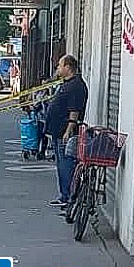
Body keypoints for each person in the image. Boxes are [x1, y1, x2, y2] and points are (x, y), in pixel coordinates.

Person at [45, 54, 88, 207]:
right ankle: (64, 196)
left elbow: (74, 110)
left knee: (66, 165)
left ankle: (69, 198)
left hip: (66, 133)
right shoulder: (66, 83)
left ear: (68, 67)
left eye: (59, 65)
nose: (57, 68)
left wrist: (69, 129)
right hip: (58, 131)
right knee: (61, 165)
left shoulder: (76, 85)